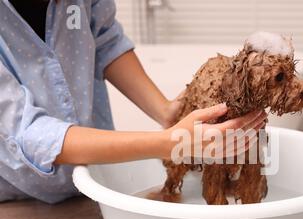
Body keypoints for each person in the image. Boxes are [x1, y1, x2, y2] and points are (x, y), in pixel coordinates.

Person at [0, 0, 267, 203]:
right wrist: (169, 143)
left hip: (95, 179)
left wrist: (166, 111)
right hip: (21, 198)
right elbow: (28, 131)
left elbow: (104, 40)